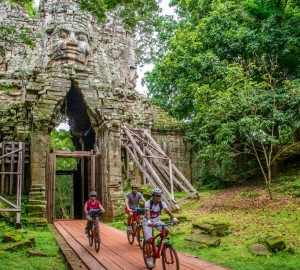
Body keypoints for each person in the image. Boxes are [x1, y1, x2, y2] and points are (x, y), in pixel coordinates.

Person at [143, 188, 178, 268]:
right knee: (148, 240)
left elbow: (168, 211)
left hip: (156, 220)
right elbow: (148, 212)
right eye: (157, 196)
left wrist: (174, 218)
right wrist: (148, 221)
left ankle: (159, 242)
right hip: (147, 221)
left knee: (166, 230)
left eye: (160, 196)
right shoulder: (148, 203)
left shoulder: (162, 203)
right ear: (153, 196)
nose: (159, 197)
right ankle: (150, 259)